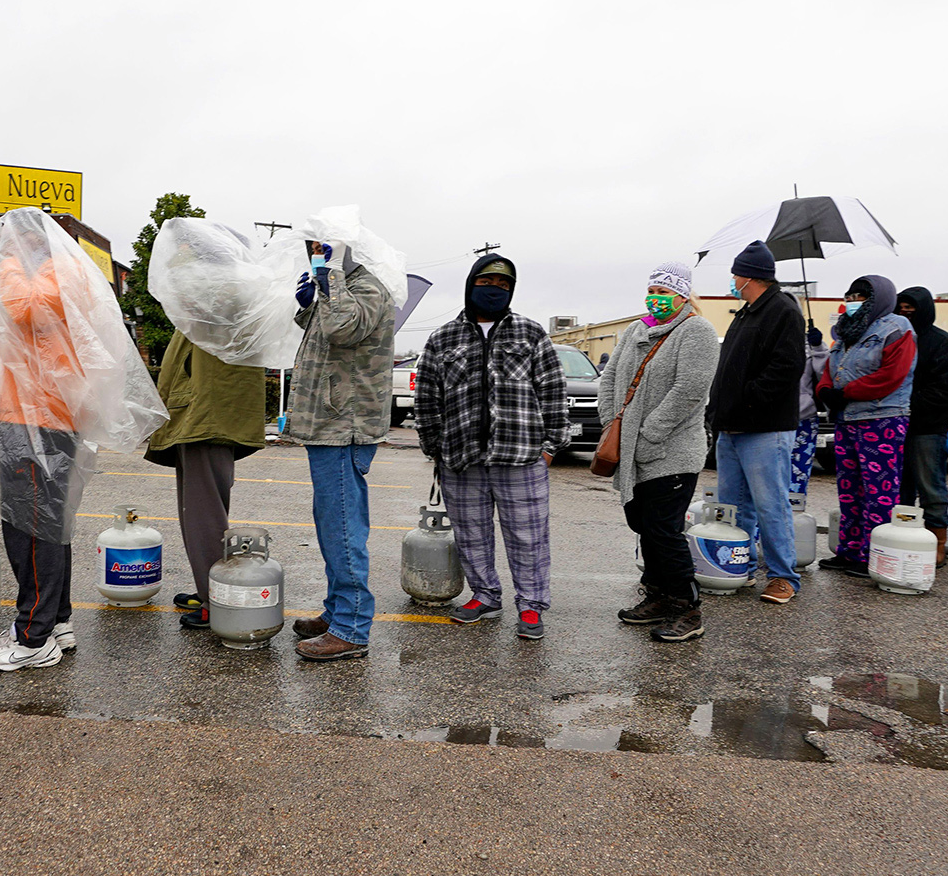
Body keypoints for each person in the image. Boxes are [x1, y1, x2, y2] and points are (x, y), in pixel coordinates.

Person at [0, 209, 165, 673]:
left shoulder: (55, 275)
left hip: (37, 423)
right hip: (26, 418)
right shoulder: (53, 273)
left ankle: (33, 637)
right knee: (46, 526)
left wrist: (9, 263)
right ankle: (55, 622)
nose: (2, 252)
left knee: (32, 530)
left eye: (10, 242)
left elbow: (23, 308)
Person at [416, 255, 569, 640]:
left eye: (503, 285)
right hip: (460, 458)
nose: (494, 290)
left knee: (528, 536)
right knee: (471, 534)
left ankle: (531, 605)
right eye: (487, 282)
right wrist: (434, 447)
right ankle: (485, 595)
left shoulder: (530, 334)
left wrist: (550, 446)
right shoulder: (442, 338)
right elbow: (427, 398)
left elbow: (552, 390)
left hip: (521, 456)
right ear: (471, 284)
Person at [286, 237, 397, 661]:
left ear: (345, 249)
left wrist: (329, 279)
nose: (314, 253)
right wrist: (308, 305)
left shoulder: (366, 288)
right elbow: (322, 336)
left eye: (322, 247)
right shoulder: (340, 288)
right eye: (311, 247)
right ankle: (337, 613)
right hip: (326, 424)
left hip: (345, 425)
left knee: (344, 529)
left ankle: (351, 628)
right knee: (331, 524)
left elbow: (343, 329)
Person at [596, 261, 719, 642]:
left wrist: (651, 432)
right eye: (652, 291)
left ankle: (686, 607)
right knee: (643, 526)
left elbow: (690, 389)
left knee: (664, 531)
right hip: (632, 451)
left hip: (672, 452)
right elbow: (611, 378)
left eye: (665, 292)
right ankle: (658, 595)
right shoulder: (636, 329)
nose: (656, 299)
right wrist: (609, 422)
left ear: (683, 295)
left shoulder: (696, 330)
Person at [705, 242, 806, 604]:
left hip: (765, 428)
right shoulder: (746, 312)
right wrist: (718, 410)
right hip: (732, 427)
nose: (732, 280)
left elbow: (787, 367)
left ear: (749, 276)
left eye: (735, 274)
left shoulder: (783, 311)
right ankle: (739, 567)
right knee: (733, 505)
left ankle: (784, 576)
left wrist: (748, 398)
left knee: (770, 504)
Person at [146, 329, 266, 630]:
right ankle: (209, 589)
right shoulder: (215, 300)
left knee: (203, 513)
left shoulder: (216, 299)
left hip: (206, 412)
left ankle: (217, 600)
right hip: (201, 411)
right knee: (199, 510)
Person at [815, 276, 917, 577]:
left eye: (860, 295)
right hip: (847, 419)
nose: (853, 300)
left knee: (879, 491)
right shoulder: (844, 333)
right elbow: (830, 370)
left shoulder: (898, 329)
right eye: (850, 295)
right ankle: (849, 551)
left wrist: (844, 393)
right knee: (849, 490)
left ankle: (874, 554)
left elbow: (890, 376)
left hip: (881, 418)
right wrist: (825, 390)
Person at [895, 287, 948, 562]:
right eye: (901, 306)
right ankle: (901, 538)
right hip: (894, 426)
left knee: (931, 486)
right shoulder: (894, 337)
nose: (905, 312)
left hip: (927, 428)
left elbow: (946, 390)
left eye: (911, 307)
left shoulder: (942, 342)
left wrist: (908, 404)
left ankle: (937, 545)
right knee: (899, 488)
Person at [791, 323, 829, 496]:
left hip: (802, 419)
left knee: (796, 478)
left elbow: (826, 374)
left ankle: (795, 518)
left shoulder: (809, 346)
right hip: (769, 421)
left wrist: (818, 347)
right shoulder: (761, 341)